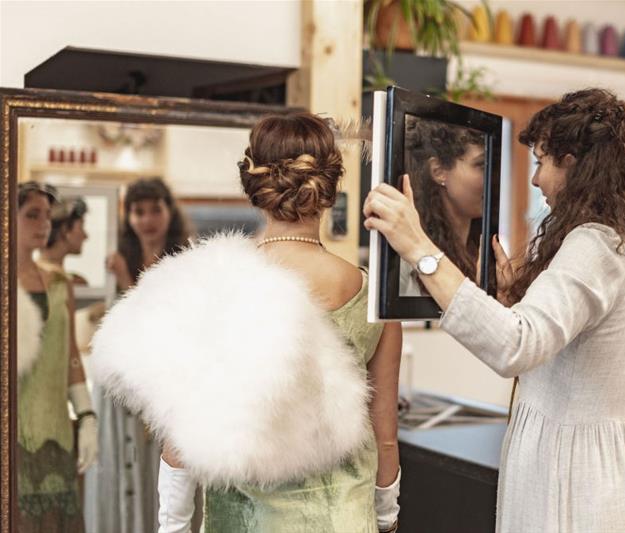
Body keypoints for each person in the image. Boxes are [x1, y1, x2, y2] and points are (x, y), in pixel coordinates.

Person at [364, 88, 625, 533]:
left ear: (573, 162)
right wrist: (510, 305)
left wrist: (419, 247)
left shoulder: (594, 244)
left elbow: (515, 347)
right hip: (592, 475)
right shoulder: (620, 243)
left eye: (542, 161)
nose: (535, 179)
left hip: (578, 487)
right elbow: (557, 347)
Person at [89, 112, 403, 533]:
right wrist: (386, 519)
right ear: (331, 187)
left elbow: (181, 439)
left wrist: (174, 526)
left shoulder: (217, 282)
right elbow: (384, 431)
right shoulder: (373, 296)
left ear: (254, 185)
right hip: (344, 517)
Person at [84, 177, 191, 533]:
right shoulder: (116, 258)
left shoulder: (183, 260)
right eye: (138, 211)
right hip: (122, 391)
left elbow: (160, 322)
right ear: (128, 216)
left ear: (168, 212)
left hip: (165, 385)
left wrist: (126, 279)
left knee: (165, 471)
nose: (147, 219)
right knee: (119, 468)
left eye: (154, 209)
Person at [16, 181, 98, 533]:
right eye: (32, 215)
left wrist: (87, 414)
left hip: (56, 434)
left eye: (47, 216)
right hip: (13, 438)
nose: (43, 224)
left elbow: (69, 355)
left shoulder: (60, 283)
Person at [400, 117, 485, 296]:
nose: (492, 177)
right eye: (481, 165)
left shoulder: (482, 256)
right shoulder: (407, 264)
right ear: (438, 171)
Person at [39, 197, 90, 286]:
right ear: (65, 229)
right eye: (81, 226)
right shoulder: (40, 280)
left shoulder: (75, 281)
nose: (86, 236)